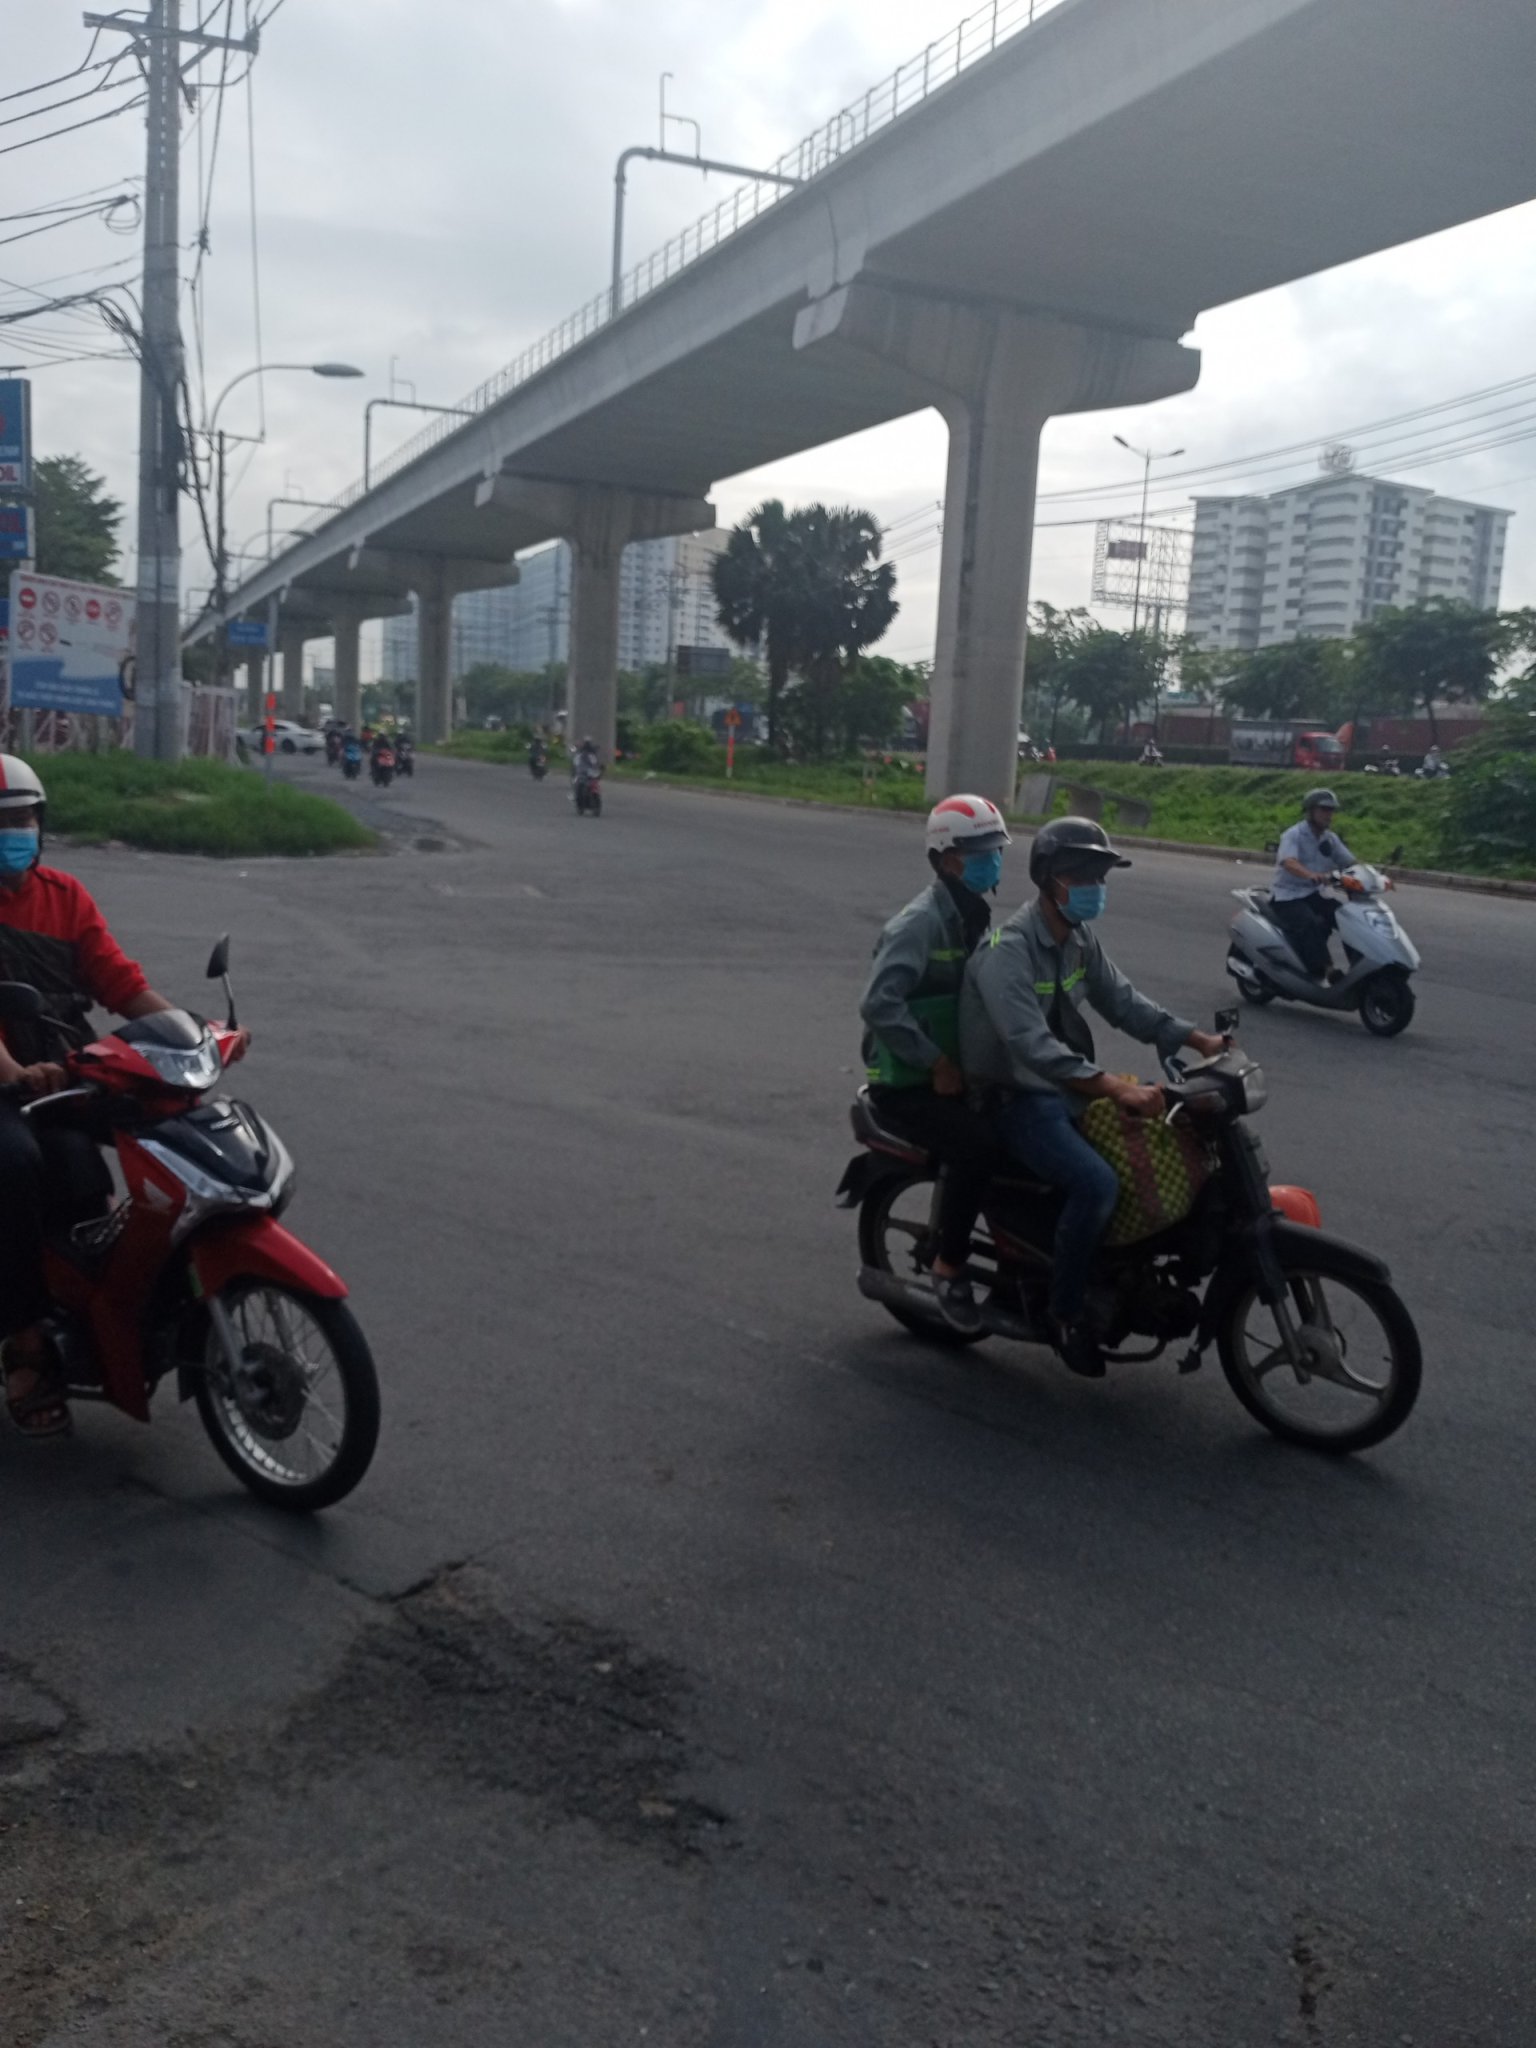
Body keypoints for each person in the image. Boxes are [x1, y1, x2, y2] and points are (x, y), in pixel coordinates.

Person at [0, 757, 249, 1437]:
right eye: (2, 821)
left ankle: (115, 1303)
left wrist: (199, 1033)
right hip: (11, 1081)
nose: (15, 831)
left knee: (147, 1141)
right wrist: (16, 1071)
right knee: (18, 1164)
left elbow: (121, 984)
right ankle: (24, 1343)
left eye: (23, 818)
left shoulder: (64, 897)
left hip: (65, 1066)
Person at [961, 816, 1227, 1377]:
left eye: (1099, 876)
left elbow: (1124, 1003)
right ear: (1049, 880)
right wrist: (1111, 1085)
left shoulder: (1079, 940)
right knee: (1097, 1183)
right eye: (1081, 876)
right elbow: (1030, 1045)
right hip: (1015, 1096)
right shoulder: (1008, 950)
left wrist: (1197, 1039)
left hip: (1065, 1087)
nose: (1094, 887)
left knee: (1160, 1144)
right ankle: (1064, 1315)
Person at [860, 796, 1013, 1334]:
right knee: (978, 1145)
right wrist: (936, 1063)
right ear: (948, 860)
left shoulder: (974, 915)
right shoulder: (919, 924)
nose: (993, 861)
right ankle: (949, 1266)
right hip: (907, 1079)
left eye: (996, 850)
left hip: (957, 1069)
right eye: (981, 853)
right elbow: (879, 1004)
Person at [1270, 788, 1356, 979]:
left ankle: (1359, 966)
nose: (1328, 814)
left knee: (1346, 917)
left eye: (1331, 810)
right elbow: (1289, 862)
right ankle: (1327, 969)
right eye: (1324, 809)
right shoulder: (1294, 834)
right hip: (1287, 897)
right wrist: (1310, 875)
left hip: (1312, 895)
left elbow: (1350, 863)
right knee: (1310, 922)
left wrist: (1369, 876)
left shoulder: (1330, 839)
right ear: (1310, 811)